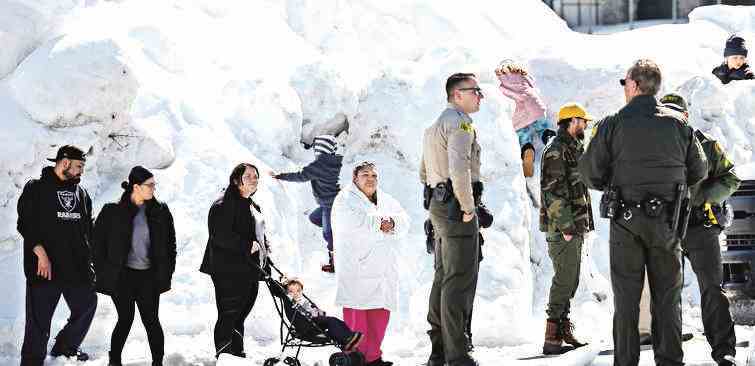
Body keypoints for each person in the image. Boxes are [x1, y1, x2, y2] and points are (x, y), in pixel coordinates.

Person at [578, 59, 708, 366]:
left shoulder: (612, 124)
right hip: (666, 223)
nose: (624, 89)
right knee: (667, 298)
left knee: (626, 301)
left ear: (634, 85)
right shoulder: (679, 124)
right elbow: (699, 169)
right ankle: (670, 361)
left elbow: (589, 173)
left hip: (626, 223)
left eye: (625, 83)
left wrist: (615, 177)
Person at [635, 93, 740, 366]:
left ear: (685, 116)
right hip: (665, 228)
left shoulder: (705, 143)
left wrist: (704, 196)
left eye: (675, 113)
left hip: (699, 226)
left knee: (712, 289)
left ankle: (724, 350)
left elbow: (731, 178)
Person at [420, 73, 483, 366]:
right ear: (457, 95)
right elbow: (459, 169)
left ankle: (439, 350)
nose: (480, 96)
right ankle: (457, 354)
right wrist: (469, 206)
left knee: (443, 277)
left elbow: (423, 172)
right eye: (475, 91)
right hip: (456, 208)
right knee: (459, 280)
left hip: (438, 204)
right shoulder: (460, 123)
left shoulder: (433, 127)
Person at [17, 145, 97, 365]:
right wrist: (40, 253)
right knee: (38, 324)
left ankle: (64, 349)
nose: (81, 171)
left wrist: (90, 262)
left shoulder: (81, 194)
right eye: (79, 166)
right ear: (64, 162)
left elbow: (88, 231)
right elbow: (25, 224)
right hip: (45, 270)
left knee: (87, 304)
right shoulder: (36, 188)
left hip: (75, 269)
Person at [92, 166, 177, 366]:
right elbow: (96, 245)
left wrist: (167, 271)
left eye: (154, 184)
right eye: (150, 185)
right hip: (122, 277)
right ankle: (114, 361)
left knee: (151, 321)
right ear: (136, 187)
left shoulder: (160, 211)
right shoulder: (111, 212)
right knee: (125, 319)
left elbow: (170, 245)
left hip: (149, 277)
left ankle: (158, 362)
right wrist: (104, 271)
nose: (154, 188)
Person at [332, 161, 409, 366]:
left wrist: (392, 223)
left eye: (374, 175)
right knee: (358, 317)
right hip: (357, 268)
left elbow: (404, 219)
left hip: (382, 269)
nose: (371, 179)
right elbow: (352, 222)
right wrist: (380, 223)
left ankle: (373, 358)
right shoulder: (345, 200)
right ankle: (355, 358)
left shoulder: (386, 199)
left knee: (379, 316)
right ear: (355, 179)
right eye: (365, 175)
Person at [540, 103, 595, 354]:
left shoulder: (573, 148)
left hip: (573, 226)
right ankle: (552, 336)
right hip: (563, 227)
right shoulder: (557, 150)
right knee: (564, 279)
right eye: (583, 121)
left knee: (570, 278)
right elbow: (553, 191)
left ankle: (561, 330)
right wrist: (566, 226)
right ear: (572, 121)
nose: (585, 126)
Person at [200, 163, 270, 358]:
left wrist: (266, 258)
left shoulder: (252, 205)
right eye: (248, 176)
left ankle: (237, 354)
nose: (254, 179)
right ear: (235, 180)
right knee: (229, 313)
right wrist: (247, 245)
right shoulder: (223, 204)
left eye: (256, 176)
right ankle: (224, 354)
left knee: (240, 314)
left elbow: (260, 236)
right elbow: (219, 235)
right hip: (227, 270)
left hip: (250, 269)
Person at [271, 134, 343, 273]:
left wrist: (280, 176)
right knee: (314, 218)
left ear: (320, 150)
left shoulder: (319, 165)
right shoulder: (335, 162)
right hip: (329, 203)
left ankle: (335, 264)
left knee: (328, 234)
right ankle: (339, 228)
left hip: (330, 204)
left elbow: (300, 176)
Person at [494, 61, 555, 182]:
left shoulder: (500, 80)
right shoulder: (524, 77)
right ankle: (551, 141)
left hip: (519, 112)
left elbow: (498, 94)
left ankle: (527, 149)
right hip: (535, 107)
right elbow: (532, 86)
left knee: (523, 135)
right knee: (543, 128)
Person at [270, 276, 364, 351]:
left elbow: (310, 309)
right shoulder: (292, 303)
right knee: (331, 321)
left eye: (298, 290)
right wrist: (314, 313)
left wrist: (318, 311)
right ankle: (346, 339)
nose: (296, 293)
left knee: (334, 320)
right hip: (307, 325)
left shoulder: (301, 301)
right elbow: (303, 314)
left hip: (311, 321)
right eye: (292, 291)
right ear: (287, 293)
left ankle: (348, 337)